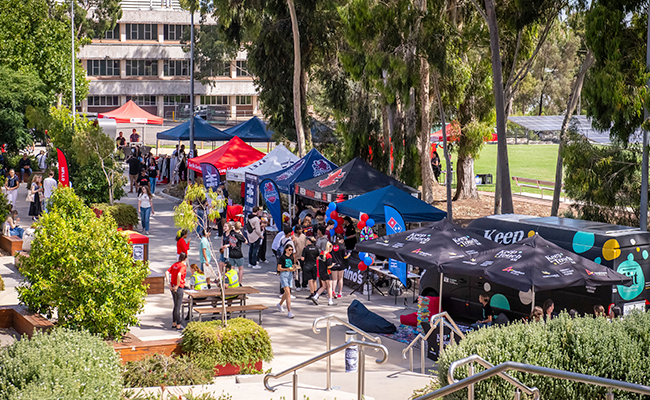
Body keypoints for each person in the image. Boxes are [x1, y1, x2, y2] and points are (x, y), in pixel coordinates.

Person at [166, 252, 187, 330]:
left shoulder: (175, 264)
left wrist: (169, 283)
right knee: (178, 306)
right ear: (185, 259)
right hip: (179, 287)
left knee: (175, 305)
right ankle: (178, 324)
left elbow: (167, 272)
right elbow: (179, 274)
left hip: (172, 286)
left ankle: (174, 323)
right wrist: (178, 285)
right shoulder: (183, 266)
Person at [277, 244, 298, 319]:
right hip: (284, 275)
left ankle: (280, 304)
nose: (291, 251)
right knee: (288, 293)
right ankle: (289, 311)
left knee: (286, 293)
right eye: (289, 250)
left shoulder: (291, 257)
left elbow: (292, 266)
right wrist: (286, 269)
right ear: (285, 249)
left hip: (290, 275)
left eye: (292, 250)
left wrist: (294, 268)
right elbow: (279, 268)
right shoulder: (282, 257)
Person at [312, 242, 334, 306]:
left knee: (323, 286)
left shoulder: (321, 254)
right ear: (329, 247)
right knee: (329, 287)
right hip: (327, 273)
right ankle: (330, 300)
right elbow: (328, 266)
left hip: (321, 272)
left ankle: (315, 296)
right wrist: (332, 265)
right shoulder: (329, 255)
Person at [292, 226, 307, 290]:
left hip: (303, 256)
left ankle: (304, 284)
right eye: (300, 229)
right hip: (297, 257)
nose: (301, 230)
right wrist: (294, 257)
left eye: (301, 229)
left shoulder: (304, 236)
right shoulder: (294, 237)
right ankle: (297, 285)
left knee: (305, 271)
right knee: (297, 272)